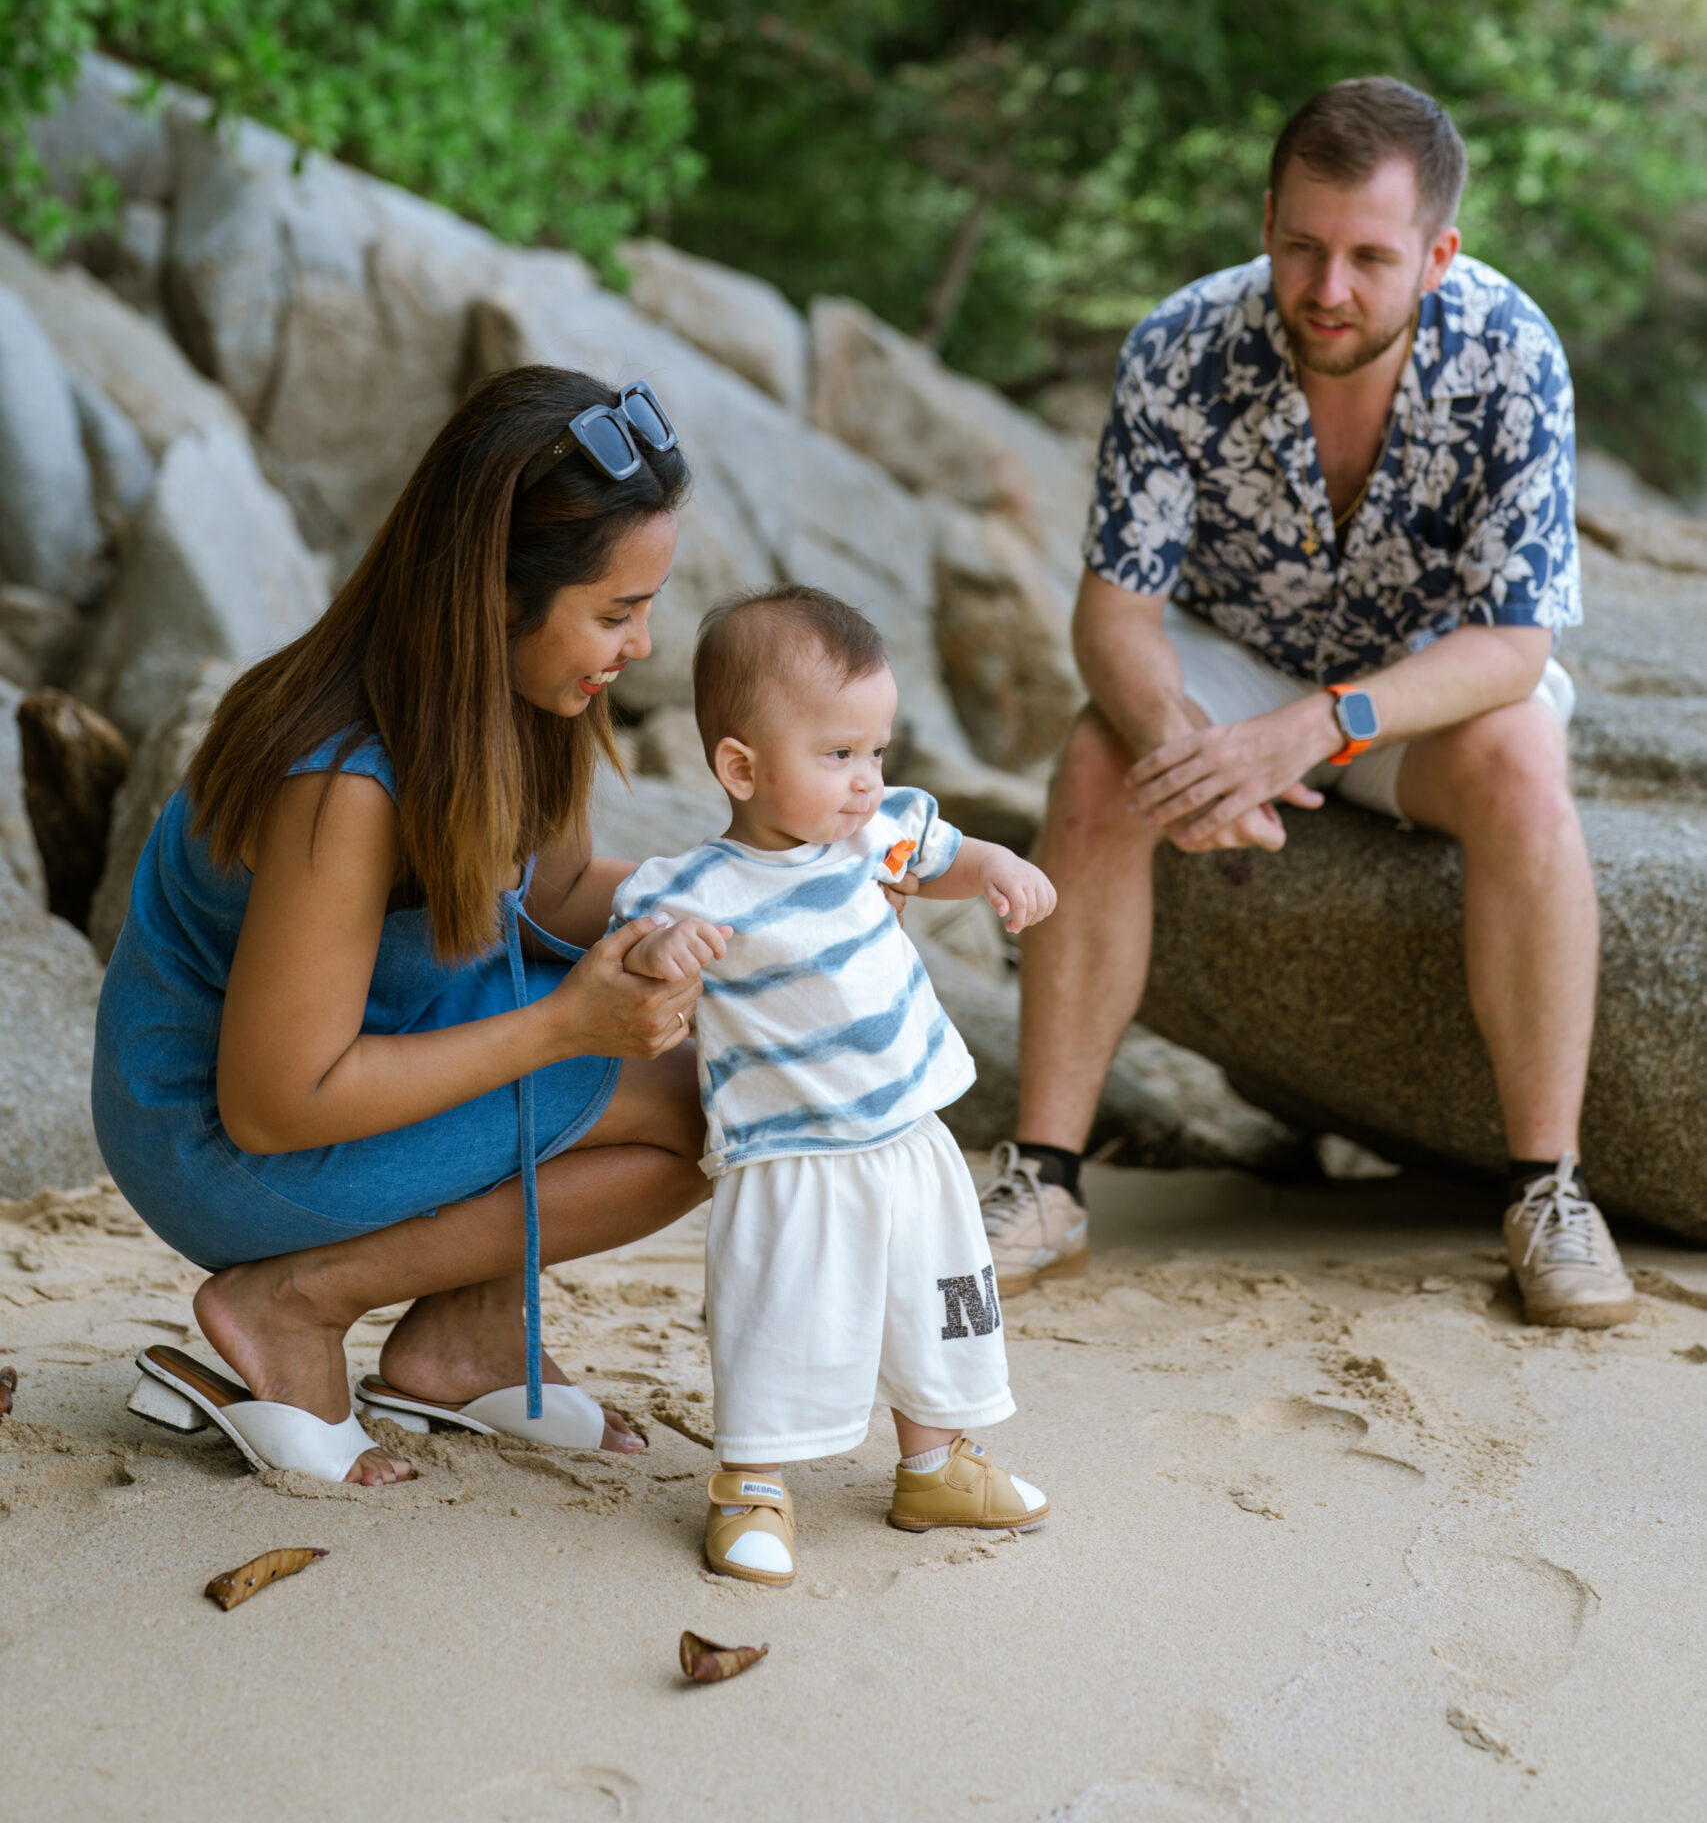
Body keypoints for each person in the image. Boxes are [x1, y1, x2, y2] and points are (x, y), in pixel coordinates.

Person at [978, 77, 1636, 1332]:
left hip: (1419, 691)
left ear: (1437, 254)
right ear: (1269, 219)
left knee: (1523, 767)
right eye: (1302, 245)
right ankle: (1045, 1181)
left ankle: (1548, 1190)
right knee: (1099, 760)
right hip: (1234, 660)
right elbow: (1112, 619)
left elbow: (1514, 645)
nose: (1327, 287)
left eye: (1370, 258)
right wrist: (1181, 748)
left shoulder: (1513, 352)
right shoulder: (1180, 343)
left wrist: (1315, 727)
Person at [93, 366, 733, 1487]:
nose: (640, 644)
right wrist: (565, 1028)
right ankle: (294, 1300)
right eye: (615, 612)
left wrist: (754, 899)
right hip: (217, 1138)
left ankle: (464, 1338)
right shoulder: (343, 779)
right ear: (496, 597)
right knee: (689, 1113)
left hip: (376, 1035)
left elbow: (555, 893)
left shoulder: (519, 697)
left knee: (718, 1080)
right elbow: (276, 1101)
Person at [610, 585, 1055, 1587]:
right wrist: (663, 950)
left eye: (877, 751)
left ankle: (934, 1464)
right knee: (782, 1316)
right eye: (838, 753)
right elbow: (632, 942)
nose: (866, 779)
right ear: (741, 767)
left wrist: (997, 864)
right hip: (790, 1154)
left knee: (935, 1299)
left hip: (910, 1133)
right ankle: (751, 1486)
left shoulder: (872, 831)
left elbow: (941, 854)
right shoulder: (701, 886)